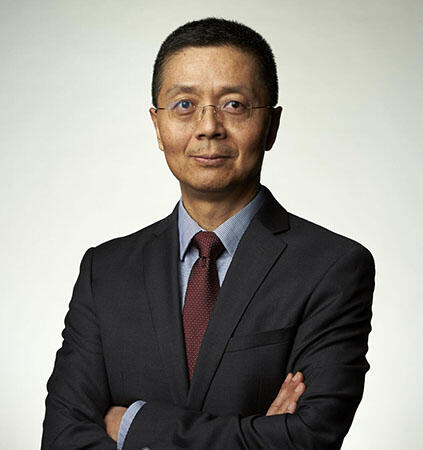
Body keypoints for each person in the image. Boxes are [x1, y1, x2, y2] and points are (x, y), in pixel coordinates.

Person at [41, 17, 375, 450]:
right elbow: (62, 437)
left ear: (272, 125)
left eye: (234, 104)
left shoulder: (331, 267)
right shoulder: (104, 271)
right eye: (184, 104)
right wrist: (259, 436)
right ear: (157, 125)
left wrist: (133, 425)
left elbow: (307, 438)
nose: (208, 127)